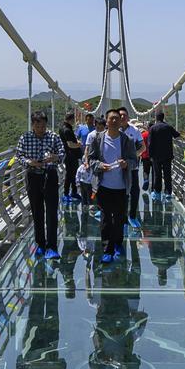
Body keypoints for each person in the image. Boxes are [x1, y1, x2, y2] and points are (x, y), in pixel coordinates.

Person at [15, 109, 63, 257]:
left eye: (43, 126)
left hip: (50, 176)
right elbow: (19, 156)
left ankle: (52, 246)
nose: (41, 129)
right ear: (32, 125)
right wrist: (30, 162)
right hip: (33, 177)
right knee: (37, 212)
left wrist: (55, 157)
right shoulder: (25, 137)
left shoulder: (54, 137)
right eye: (38, 127)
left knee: (51, 213)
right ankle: (40, 244)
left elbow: (62, 154)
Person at [89, 107, 133, 260]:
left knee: (120, 218)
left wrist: (126, 163)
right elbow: (91, 160)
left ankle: (118, 244)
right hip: (103, 186)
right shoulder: (97, 139)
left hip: (121, 187)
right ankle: (107, 251)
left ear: (121, 121)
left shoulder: (127, 140)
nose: (114, 121)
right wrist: (100, 166)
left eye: (117, 118)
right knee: (106, 218)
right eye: (111, 118)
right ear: (106, 121)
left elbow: (134, 161)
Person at [146, 108, 179, 200]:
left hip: (156, 156)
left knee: (157, 174)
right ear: (163, 118)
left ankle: (157, 192)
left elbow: (150, 143)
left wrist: (150, 155)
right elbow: (176, 135)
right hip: (167, 155)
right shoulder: (168, 127)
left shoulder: (152, 128)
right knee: (167, 174)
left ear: (156, 118)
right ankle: (168, 192)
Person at [58, 111, 84, 208]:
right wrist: (79, 144)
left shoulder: (62, 127)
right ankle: (66, 193)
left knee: (72, 174)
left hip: (68, 155)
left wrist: (75, 141)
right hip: (71, 155)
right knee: (70, 175)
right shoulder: (67, 130)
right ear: (71, 119)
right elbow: (70, 144)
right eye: (74, 120)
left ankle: (73, 192)